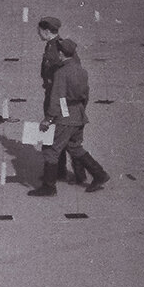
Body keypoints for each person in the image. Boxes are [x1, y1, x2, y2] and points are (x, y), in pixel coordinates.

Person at [29, 39, 111, 196]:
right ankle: (99, 174)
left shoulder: (61, 73)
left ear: (61, 53)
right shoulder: (82, 71)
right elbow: (86, 95)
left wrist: (48, 119)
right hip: (79, 113)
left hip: (65, 115)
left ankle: (49, 187)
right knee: (74, 147)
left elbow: (57, 98)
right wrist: (80, 112)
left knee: (51, 149)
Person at [36, 16, 84, 184]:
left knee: (64, 133)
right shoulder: (54, 45)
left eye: (40, 31)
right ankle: (61, 171)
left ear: (46, 31)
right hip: (56, 94)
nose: (38, 34)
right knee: (63, 134)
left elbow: (71, 73)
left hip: (59, 97)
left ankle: (76, 175)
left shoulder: (58, 48)